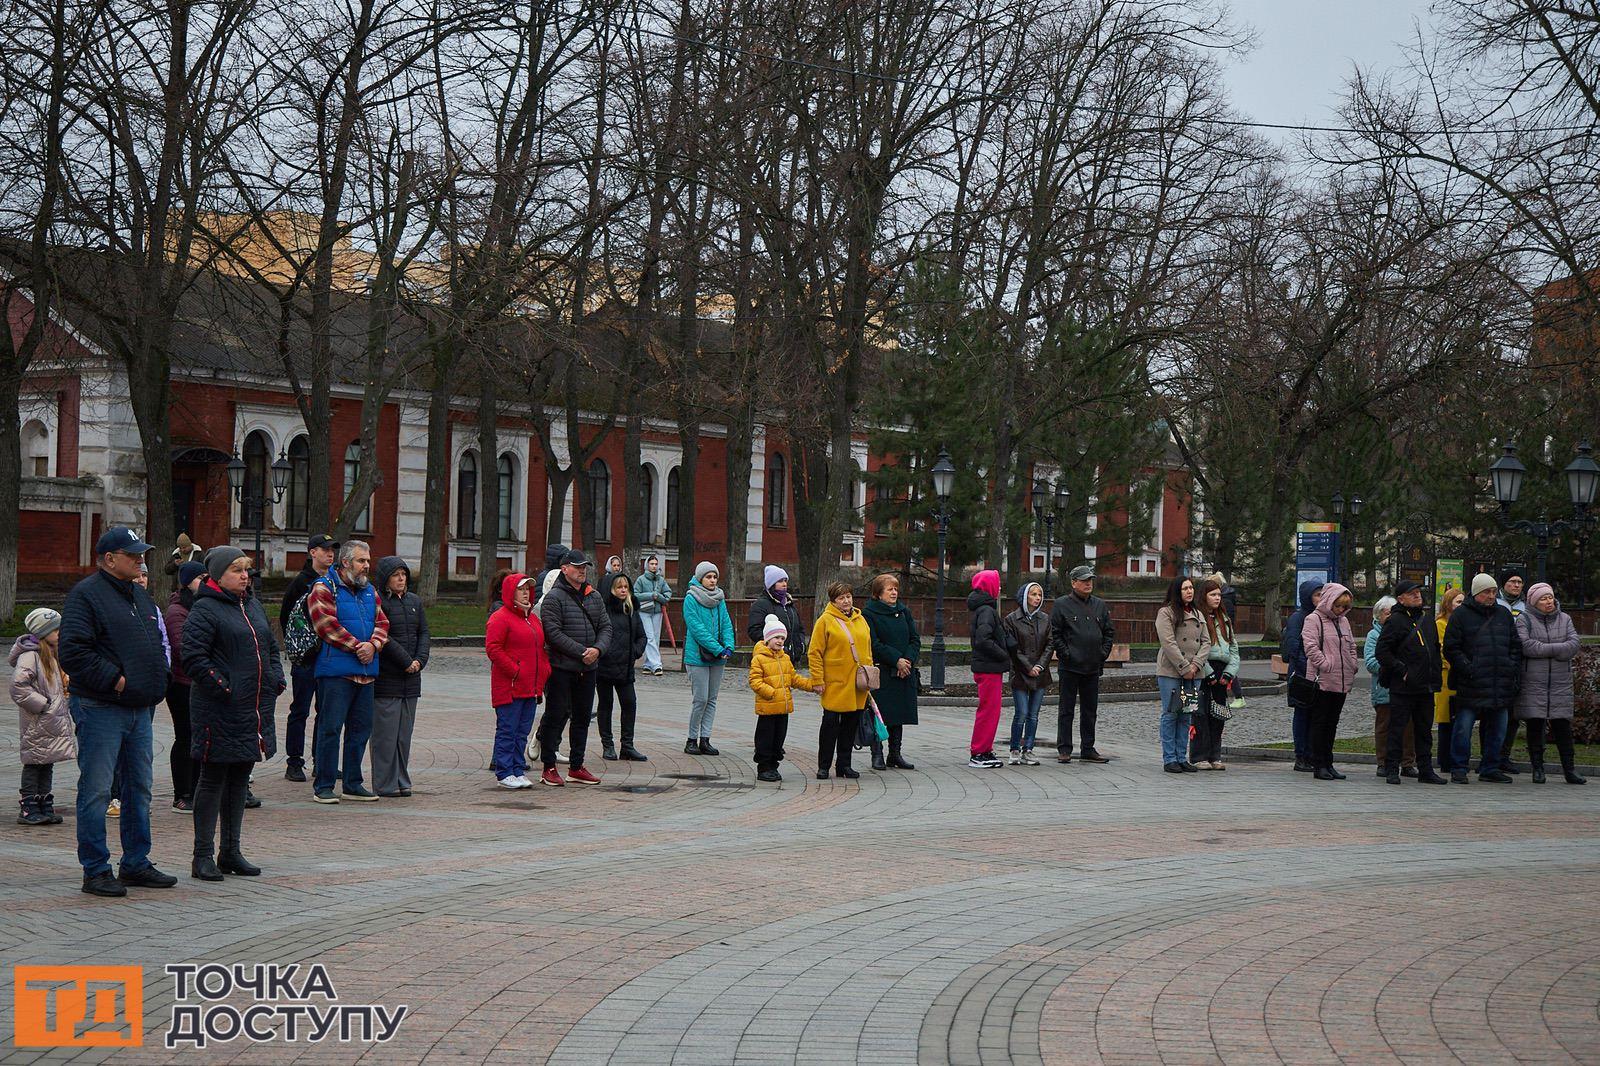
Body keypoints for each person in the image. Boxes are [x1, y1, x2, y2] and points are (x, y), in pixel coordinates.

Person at [59, 527, 177, 897]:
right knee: (96, 790)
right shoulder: (86, 596)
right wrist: (118, 682)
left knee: (139, 788)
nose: (141, 559)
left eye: (141, 554)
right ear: (110, 559)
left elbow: (156, 641)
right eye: (133, 555)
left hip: (140, 709)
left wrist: (160, 676)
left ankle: (135, 863)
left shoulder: (138, 597)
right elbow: (74, 652)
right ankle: (95, 869)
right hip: (101, 707)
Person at [181, 547, 283, 881]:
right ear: (217, 575)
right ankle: (202, 856)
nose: (244, 575)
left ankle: (231, 851)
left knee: (240, 779)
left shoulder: (251, 605)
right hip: (219, 709)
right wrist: (225, 688)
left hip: (251, 709)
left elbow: (269, 645)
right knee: (212, 780)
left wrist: (274, 678)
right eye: (237, 570)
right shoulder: (206, 609)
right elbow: (194, 657)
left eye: (247, 569)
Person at [306, 539, 390, 804]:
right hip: (336, 672)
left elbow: (383, 622)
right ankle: (324, 785)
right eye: (361, 561)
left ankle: (353, 783)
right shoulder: (323, 588)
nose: (367, 566)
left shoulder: (370, 591)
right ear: (345, 563)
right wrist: (358, 647)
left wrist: (374, 645)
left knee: (360, 729)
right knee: (330, 728)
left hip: (366, 672)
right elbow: (325, 625)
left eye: (367, 560)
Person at [538, 550, 610, 786]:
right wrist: (583, 652)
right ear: (564, 569)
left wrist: (597, 650)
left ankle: (576, 766)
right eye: (577, 566)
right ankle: (548, 767)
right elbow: (553, 633)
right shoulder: (554, 598)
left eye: (584, 566)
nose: (582, 570)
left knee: (582, 717)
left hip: (589, 669)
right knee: (555, 716)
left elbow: (606, 627)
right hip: (562, 668)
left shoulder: (594, 596)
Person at [1443, 573, 1520, 784]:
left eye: (1494, 592)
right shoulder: (1461, 615)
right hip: (1471, 682)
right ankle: (1459, 767)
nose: (1491, 596)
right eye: (1487, 592)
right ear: (1476, 593)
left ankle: (1490, 767)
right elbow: (1451, 648)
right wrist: (1468, 668)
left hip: (1499, 682)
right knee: (1463, 728)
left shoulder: (1503, 614)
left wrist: (1510, 666)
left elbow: (1515, 645)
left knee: (1498, 729)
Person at [1375, 580, 1447, 785]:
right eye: (1411, 593)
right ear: (1400, 598)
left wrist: (1435, 673)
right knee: (1397, 729)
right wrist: (1401, 670)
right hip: (1403, 686)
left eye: (1418, 593)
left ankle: (1425, 769)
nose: (1417, 596)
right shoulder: (1395, 620)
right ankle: (1391, 769)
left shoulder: (1426, 619)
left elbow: (1433, 648)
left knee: (1424, 730)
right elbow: (1382, 651)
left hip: (1426, 685)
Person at [280, 533, 337, 782]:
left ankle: (321, 763)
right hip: (306, 658)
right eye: (325, 550)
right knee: (300, 710)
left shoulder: (336, 581)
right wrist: (298, 648)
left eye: (332, 550)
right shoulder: (301, 582)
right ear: (312, 552)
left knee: (326, 711)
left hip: (330, 656)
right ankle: (294, 762)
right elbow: (286, 618)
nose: (330, 554)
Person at [485, 573, 551, 788]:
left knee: (522, 731)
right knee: (508, 729)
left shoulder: (532, 618)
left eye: (527, 589)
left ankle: (516, 768)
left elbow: (540, 648)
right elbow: (493, 649)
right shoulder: (500, 617)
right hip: (510, 686)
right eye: (521, 589)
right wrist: (515, 670)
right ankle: (504, 772)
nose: (525, 593)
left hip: (530, 687)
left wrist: (544, 671)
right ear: (510, 592)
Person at [1516, 582, 1585, 784]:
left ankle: (1570, 770)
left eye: (1550, 597)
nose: (1549, 601)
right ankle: (1538, 769)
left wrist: (1546, 648)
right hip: (1533, 682)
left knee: (1563, 726)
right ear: (1534, 602)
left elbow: (1573, 644)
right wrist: (1557, 649)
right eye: (1543, 598)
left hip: (1560, 682)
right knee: (1535, 725)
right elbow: (1527, 646)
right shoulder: (1524, 619)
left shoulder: (1565, 619)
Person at [11, 608, 74, 826]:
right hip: (37, 720)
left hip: (50, 721)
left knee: (47, 762)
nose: (59, 633)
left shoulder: (52, 655)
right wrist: (43, 704)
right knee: (34, 763)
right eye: (55, 629)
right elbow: (19, 686)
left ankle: (44, 802)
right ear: (42, 632)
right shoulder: (30, 656)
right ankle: (28, 806)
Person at [373, 556, 429, 798]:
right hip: (388, 679)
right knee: (385, 736)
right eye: (396, 575)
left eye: (404, 574)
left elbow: (424, 633)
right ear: (385, 578)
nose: (401, 579)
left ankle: (402, 780)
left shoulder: (414, 601)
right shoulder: (378, 602)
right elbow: (382, 636)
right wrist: (406, 662)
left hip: (411, 681)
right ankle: (385, 783)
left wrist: (419, 660)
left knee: (403, 736)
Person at [1049, 564, 1115, 764]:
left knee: (1089, 710)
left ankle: (1088, 747)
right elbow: (1056, 633)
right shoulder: (1062, 604)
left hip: (1092, 666)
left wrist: (1102, 654)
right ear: (1073, 583)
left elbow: (1108, 632)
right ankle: (1064, 748)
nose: (1088, 583)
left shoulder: (1099, 605)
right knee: (1066, 709)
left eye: (1090, 580)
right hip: (1070, 666)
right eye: (1084, 580)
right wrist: (1066, 654)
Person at [808, 580, 874, 779]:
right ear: (833, 601)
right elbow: (815, 652)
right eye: (841, 598)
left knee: (850, 724)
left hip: (858, 683)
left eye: (848, 596)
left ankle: (844, 765)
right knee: (830, 725)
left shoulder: (860, 619)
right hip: (835, 682)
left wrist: (870, 673)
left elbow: (868, 647)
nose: (846, 601)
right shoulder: (825, 621)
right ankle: (824, 765)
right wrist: (817, 679)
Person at [748, 615, 820, 781]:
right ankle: (764, 767)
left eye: (782, 638)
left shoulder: (785, 658)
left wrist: (812, 686)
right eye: (776, 638)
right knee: (765, 739)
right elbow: (755, 681)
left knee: (778, 738)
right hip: (768, 707)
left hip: (783, 708)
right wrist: (771, 693)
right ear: (767, 639)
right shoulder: (759, 658)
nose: (780, 641)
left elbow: (793, 678)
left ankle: (774, 765)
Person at [1301, 582, 1360, 781]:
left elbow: (1351, 645)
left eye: (1344, 607)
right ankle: (1319, 764)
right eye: (1338, 606)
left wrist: (1352, 664)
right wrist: (1326, 664)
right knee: (1320, 723)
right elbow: (1310, 647)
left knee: (1332, 724)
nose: (1341, 610)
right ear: (1329, 602)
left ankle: (1329, 762)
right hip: (1322, 680)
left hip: (1341, 680)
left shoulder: (1343, 621)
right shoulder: (1314, 619)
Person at [860, 573, 919, 770]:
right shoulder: (869, 614)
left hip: (904, 671)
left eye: (895, 589)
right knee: (880, 713)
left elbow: (914, 639)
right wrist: (896, 660)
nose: (894, 592)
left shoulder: (904, 612)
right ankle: (877, 753)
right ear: (878, 593)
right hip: (883, 671)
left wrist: (907, 661)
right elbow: (874, 643)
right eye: (889, 589)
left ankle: (895, 754)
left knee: (898, 713)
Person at [163, 562, 205, 812]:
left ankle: (200, 787)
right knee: (185, 737)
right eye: (200, 577)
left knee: (199, 738)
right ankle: (183, 792)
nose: (206, 581)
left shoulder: (203, 605)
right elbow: (181, 647)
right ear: (187, 581)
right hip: (182, 684)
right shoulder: (177, 611)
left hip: (201, 683)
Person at [682, 560, 735, 755]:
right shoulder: (691, 599)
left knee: (712, 699)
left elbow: (727, 625)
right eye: (708, 577)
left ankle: (705, 738)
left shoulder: (719, 599)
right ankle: (691, 739)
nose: (712, 580)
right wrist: (717, 649)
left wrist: (729, 646)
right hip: (697, 657)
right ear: (700, 578)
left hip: (719, 656)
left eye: (715, 577)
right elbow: (697, 629)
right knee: (700, 699)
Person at [1155, 576, 1205, 774]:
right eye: (1185, 588)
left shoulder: (1197, 613)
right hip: (1171, 671)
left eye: (1191, 588)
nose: (1189, 591)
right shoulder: (1166, 612)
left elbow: (1206, 641)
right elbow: (1168, 642)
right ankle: (1169, 758)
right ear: (1177, 591)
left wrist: (1196, 665)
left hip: (1195, 672)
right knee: (1171, 713)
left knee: (1186, 714)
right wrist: (1184, 667)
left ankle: (1181, 757)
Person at [597, 571, 648, 762]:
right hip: (605, 666)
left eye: (626, 587)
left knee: (629, 704)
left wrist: (635, 651)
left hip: (625, 667)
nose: (623, 590)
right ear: (611, 589)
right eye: (619, 587)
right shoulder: (603, 610)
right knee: (606, 706)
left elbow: (642, 636)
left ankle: (627, 746)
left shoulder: (631, 609)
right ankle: (608, 745)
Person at [1365, 596, 1416, 778]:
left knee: (1408, 727)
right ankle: (1383, 762)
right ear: (1379, 616)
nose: (1392, 616)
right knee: (1385, 727)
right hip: (1384, 689)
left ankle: (1408, 762)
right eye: (1388, 613)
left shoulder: (1404, 629)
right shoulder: (1374, 635)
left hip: (1405, 687)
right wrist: (1394, 668)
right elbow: (1371, 662)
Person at [1191, 578, 1239, 771]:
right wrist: (1208, 672)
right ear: (1204, 596)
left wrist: (1229, 673)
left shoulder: (1224, 619)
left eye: (1219, 594)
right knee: (1198, 714)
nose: (1217, 598)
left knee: (1218, 715)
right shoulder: (1198, 618)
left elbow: (1234, 649)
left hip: (1222, 670)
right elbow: (1195, 648)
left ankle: (1214, 755)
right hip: (1202, 670)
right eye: (1213, 594)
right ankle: (1198, 755)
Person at [1003, 581, 1051, 766]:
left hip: (1040, 673)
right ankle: (1014, 748)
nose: (1037, 598)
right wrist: (1027, 667)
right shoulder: (1011, 620)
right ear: (1024, 596)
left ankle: (1028, 749)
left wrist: (1039, 666)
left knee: (1034, 714)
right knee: (1021, 712)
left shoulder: (1045, 619)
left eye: (1039, 595)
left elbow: (1050, 644)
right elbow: (1012, 648)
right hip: (1020, 674)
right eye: (1033, 594)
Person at [966, 569, 1011, 769]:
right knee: (989, 711)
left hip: (987, 666)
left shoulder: (984, 609)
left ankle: (984, 748)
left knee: (990, 710)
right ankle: (979, 752)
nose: (1000, 588)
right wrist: (1004, 654)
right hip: (989, 667)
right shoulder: (987, 611)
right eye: (997, 584)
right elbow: (984, 639)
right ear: (989, 586)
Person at [1281, 580, 1324, 773]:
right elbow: (1293, 648)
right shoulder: (1298, 618)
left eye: (1322, 594)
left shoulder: (1321, 616)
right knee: (1302, 715)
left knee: (1316, 716)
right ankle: (1301, 755)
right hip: (1302, 675)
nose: (1320, 598)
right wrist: (1308, 669)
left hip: (1318, 674)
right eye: (1317, 594)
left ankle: (1312, 754)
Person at [1491, 567, 1529, 773]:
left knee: (1514, 714)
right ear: (1503, 584)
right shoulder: (1495, 602)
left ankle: (1504, 755)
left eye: (1519, 582)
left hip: (1519, 663)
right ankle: (1491, 756)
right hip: (1497, 662)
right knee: (1493, 713)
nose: (1516, 585)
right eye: (1512, 581)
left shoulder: (1527, 605)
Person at [746, 565, 807, 668]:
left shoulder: (789, 604)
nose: (784, 584)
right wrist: (774, 644)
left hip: (791, 658)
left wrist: (800, 645)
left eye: (785, 581)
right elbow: (754, 630)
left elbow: (799, 628)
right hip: (770, 659)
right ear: (771, 584)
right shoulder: (761, 605)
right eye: (780, 581)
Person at [1434, 586, 1465, 774]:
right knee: (1446, 721)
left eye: (1463, 602)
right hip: (1446, 677)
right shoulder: (1440, 624)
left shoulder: (1463, 623)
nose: (1461, 605)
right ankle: (1445, 760)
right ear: (1448, 604)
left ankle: (1456, 758)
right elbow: (1443, 651)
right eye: (1458, 602)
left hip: (1460, 678)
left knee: (1459, 721)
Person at [633, 554, 672, 676]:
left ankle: (647, 664)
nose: (654, 566)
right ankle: (657, 665)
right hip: (644, 611)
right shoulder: (641, 579)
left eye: (656, 564)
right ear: (647, 565)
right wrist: (651, 595)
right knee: (649, 637)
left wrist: (659, 597)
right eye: (652, 564)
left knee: (655, 638)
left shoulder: (661, 580)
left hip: (657, 612)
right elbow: (635, 595)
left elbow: (668, 593)